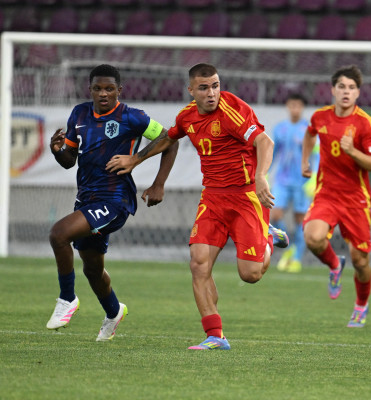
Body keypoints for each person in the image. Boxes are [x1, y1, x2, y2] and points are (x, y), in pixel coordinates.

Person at [106, 63, 288, 350]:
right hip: (213, 198)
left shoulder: (232, 109)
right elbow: (169, 137)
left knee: (250, 275)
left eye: (215, 85)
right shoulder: (188, 117)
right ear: (191, 90)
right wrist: (138, 163)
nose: (212, 93)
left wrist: (261, 176)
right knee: (198, 263)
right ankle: (215, 335)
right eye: (204, 88)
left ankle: (267, 235)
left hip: (245, 197)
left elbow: (264, 141)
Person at [46, 64, 179, 341]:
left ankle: (67, 299)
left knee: (58, 234)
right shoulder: (79, 113)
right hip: (86, 198)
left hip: (115, 199)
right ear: (90, 89)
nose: (103, 94)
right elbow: (70, 161)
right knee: (93, 269)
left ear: (119, 90)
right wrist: (57, 152)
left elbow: (171, 138)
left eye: (109, 89)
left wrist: (154, 180)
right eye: (98, 88)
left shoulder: (133, 117)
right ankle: (113, 311)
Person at [300, 65, 371, 328]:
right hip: (327, 194)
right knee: (312, 237)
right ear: (333, 89)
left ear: (358, 93)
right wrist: (305, 161)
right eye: (342, 87)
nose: (346, 92)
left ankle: (361, 305)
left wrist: (353, 152)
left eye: (352, 88)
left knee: (360, 260)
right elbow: (310, 135)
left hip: (356, 199)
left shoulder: (365, 123)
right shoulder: (320, 117)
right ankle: (335, 265)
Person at [270, 93, 315, 273]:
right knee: (275, 215)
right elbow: (273, 154)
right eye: (291, 105)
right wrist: (263, 172)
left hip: (302, 182)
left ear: (302, 107)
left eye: (298, 105)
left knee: (300, 221)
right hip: (282, 180)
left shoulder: (309, 129)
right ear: (287, 107)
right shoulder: (280, 129)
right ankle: (289, 248)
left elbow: (316, 154)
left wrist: (314, 177)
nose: (295, 108)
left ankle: (296, 258)